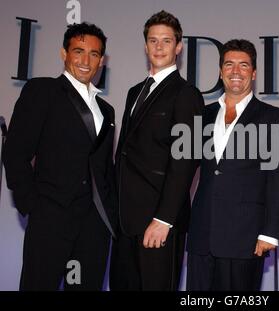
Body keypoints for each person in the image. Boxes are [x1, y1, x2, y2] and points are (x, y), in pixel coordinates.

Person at [3, 22, 116, 290]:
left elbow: (103, 167)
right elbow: (15, 152)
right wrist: (33, 206)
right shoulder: (42, 91)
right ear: (64, 54)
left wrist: (110, 215)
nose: (86, 60)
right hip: (51, 220)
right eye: (78, 51)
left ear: (101, 60)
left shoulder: (106, 109)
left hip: (93, 226)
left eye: (94, 54)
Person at [109, 10, 204, 291]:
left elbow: (186, 160)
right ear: (145, 45)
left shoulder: (187, 94)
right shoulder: (134, 91)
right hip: (125, 221)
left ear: (178, 46)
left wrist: (164, 219)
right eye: (153, 41)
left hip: (159, 223)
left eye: (166, 41)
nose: (159, 47)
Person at [186, 39, 279, 291]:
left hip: (245, 236)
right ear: (221, 71)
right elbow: (185, 169)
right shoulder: (203, 114)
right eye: (229, 64)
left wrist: (269, 231)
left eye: (243, 65)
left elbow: (278, 178)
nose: (235, 71)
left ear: (253, 73)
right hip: (203, 233)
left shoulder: (272, 117)